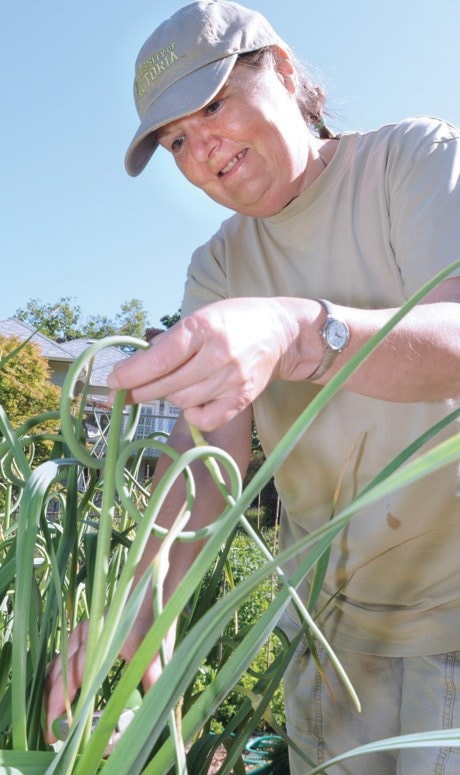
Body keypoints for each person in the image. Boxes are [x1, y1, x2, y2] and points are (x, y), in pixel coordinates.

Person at [45, 1, 460, 772]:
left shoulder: (413, 160)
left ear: (286, 71)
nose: (200, 148)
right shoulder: (220, 267)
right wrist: (143, 593)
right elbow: (203, 455)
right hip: (328, 645)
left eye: (211, 105)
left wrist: (300, 333)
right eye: (174, 140)